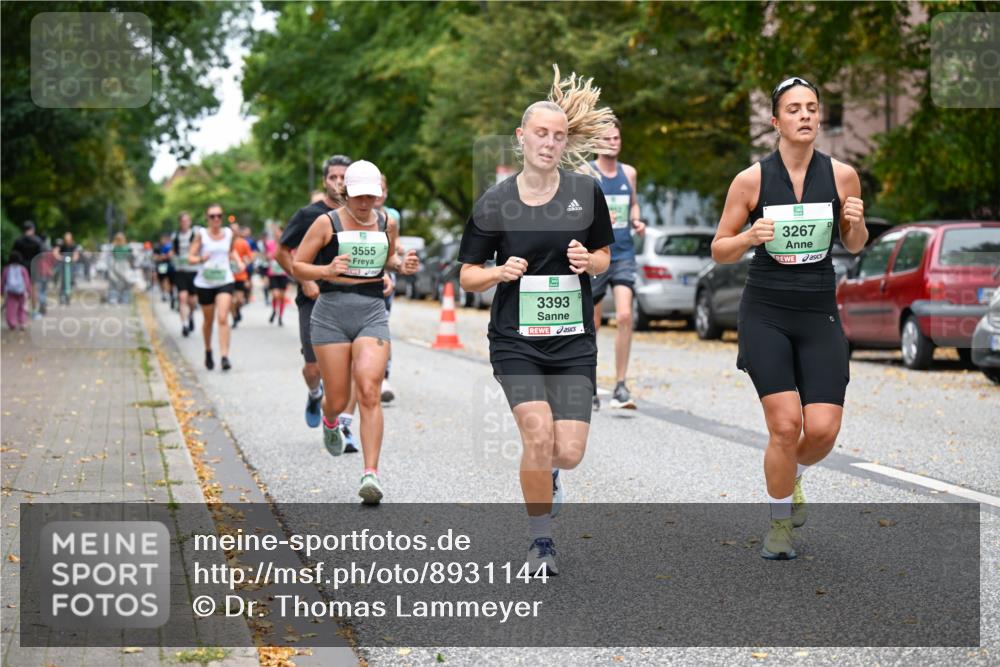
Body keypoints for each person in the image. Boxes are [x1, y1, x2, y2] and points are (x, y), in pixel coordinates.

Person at [459, 66, 615, 575]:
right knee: (538, 436)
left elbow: (604, 257)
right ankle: (540, 541)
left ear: (566, 141)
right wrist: (498, 272)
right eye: (540, 134)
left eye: (558, 135)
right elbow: (467, 276)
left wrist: (588, 261)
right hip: (516, 341)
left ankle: (549, 476)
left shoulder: (585, 192)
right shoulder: (495, 202)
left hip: (572, 341)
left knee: (567, 452)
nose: (549, 143)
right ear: (521, 137)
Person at [711, 76, 868, 560]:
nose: (805, 115)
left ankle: (792, 473)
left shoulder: (842, 175)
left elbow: (855, 244)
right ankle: (779, 525)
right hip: (766, 312)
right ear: (776, 121)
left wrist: (855, 223)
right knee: (784, 425)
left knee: (821, 430)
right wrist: (748, 237)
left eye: (812, 108)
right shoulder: (751, 180)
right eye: (794, 109)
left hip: (818, 311)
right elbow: (719, 249)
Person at [293, 160, 420, 504]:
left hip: (371, 312)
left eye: (371, 196)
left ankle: (370, 474)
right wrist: (326, 269)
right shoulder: (327, 223)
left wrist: (402, 265)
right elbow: (298, 265)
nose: (366, 203)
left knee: (368, 389)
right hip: (330, 315)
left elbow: (389, 260)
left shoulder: (386, 222)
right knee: (336, 399)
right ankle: (330, 420)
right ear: (345, 192)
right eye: (359, 195)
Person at [276, 155, 352, 430]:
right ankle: (314, 392)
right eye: (333, 177)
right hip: (313, 297)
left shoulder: (359, 213)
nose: (338, 182)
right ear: (324, 181)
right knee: (313, 368)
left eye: (343, 177)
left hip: (349, 298)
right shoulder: (309, 215)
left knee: (347, 366)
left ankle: (342, 425)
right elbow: (281, 251)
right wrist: (304, 280)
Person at [588, 117, 645, 410]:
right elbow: (576, 211)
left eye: (616, 138)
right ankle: (589, 384)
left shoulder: (629, 173)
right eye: (607, 138)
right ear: (597, 142)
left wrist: (636, 219)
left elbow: (633, 203)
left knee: (624, 316)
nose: (613, 143)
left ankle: (621, 385)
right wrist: (597, 219)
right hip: (596, 256)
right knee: (593, 322)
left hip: (623, 254)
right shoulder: (586, 172)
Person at [188, 204, 242, 371]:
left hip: (224, 280)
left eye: (219, 215)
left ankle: (224, 356)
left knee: (223, 317)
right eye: (212, 216)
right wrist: (201, 259)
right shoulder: (201, 235)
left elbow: (231, 251)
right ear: (207, 218)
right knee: (208, 321)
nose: (216, 219)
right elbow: (190, 257)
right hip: (205, 282)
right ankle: (208, 350)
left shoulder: (229, 234)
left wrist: (239, 261)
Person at [376, 173, 402, 403]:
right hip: (361, 276)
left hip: (386, 278)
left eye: (382, 189)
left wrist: (400, 255)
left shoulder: (392, 217)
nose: (378, 194)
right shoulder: (352, 214)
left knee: (382, 326)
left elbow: (395, 244)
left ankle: (383, 377)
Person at [171, 212, 200, 337]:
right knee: (182, 297)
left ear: (190, 222)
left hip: (193, 270)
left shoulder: (196, 234)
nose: (185, 223)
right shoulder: (175, 236)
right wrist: (172, 256)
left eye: (187, 220)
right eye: (182, 221)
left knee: (192, 300)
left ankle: (191, 315)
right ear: (180, 222)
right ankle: (185, 325)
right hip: (180, 271)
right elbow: (173, 251)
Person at [12, 222, 45, 317]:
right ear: (32, 229)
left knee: (20, 289)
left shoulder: (18, 241)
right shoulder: (37, 241)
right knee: (34, 289)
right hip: (33, 267)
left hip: (21, 267)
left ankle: (20, 311)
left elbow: (14, 255)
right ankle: (34, 312)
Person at [229, 220, 254, 328]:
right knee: (231, 300)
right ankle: (234, 317)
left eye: (235, 230)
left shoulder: (243, 243)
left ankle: (238, 310)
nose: (234, 232)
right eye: (232, 230)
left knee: (239, 300)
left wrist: (244, 262)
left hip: (240, 275)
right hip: (228, 277)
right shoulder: (225, 243)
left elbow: (250, 257)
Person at [2, 250, 32, 330]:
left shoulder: (6, 269)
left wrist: (1, 291)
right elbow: (27, 281)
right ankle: (22, 323)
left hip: (10, 292)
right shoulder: (23, 269)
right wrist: (29, 291)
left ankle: (12, 323)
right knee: (22, 307)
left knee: (10, 308)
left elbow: (3, 281)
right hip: (22, 291)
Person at [265, 227, 289, 326]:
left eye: (279, 233)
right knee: (276, 295)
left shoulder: (287, 244)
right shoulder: (269, 244)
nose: (278, 235)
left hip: (283, 273)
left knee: (282, 297)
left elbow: (291, 256)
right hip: (273, 273)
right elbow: (266, 256)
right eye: (276, 233)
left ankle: (280, 317)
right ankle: (274, 310)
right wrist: (269, 256)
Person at [52, 232, 80, 305]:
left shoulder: (73, 245)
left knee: (71, 280)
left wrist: (73, 259)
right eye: (66, 239)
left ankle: (68, 297)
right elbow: (55, 252)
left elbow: (76, 254)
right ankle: (62, 296)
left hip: (70, 265)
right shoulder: (61, 245)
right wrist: (60, 257)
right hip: (63, 265)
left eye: (69, 239)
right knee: (62, 281)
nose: (67, 241)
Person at [152, 233, 175, 308]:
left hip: (170, 265)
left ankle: (170, 293)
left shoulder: (170, 246)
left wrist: (166, 256)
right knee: (163, 279)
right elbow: (155, 257)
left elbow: (172, 255)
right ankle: (164, 293)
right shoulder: (157, 247)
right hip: (162, 265)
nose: (165, 240)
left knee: (170, 281)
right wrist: (161, 257)